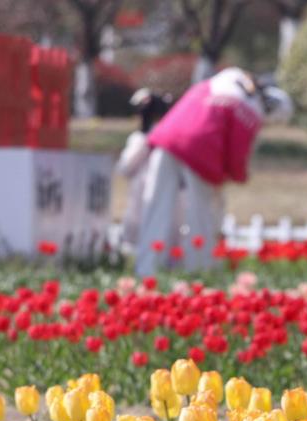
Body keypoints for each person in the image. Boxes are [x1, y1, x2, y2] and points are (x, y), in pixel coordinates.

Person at [134, 68, 291, 274]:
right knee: (201, 216)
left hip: (168, 136)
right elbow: (237, 157)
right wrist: (239, 176)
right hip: (202, 151)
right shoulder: (252, 108)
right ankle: (198, 271)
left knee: (157, 207)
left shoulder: (230, 76)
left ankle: (146, 270)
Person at [115, 89, 172, 255]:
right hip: (165, 196)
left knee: (135, 240)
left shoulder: (140, 139)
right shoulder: (169, 137)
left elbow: (124, 167)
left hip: (141, 194)